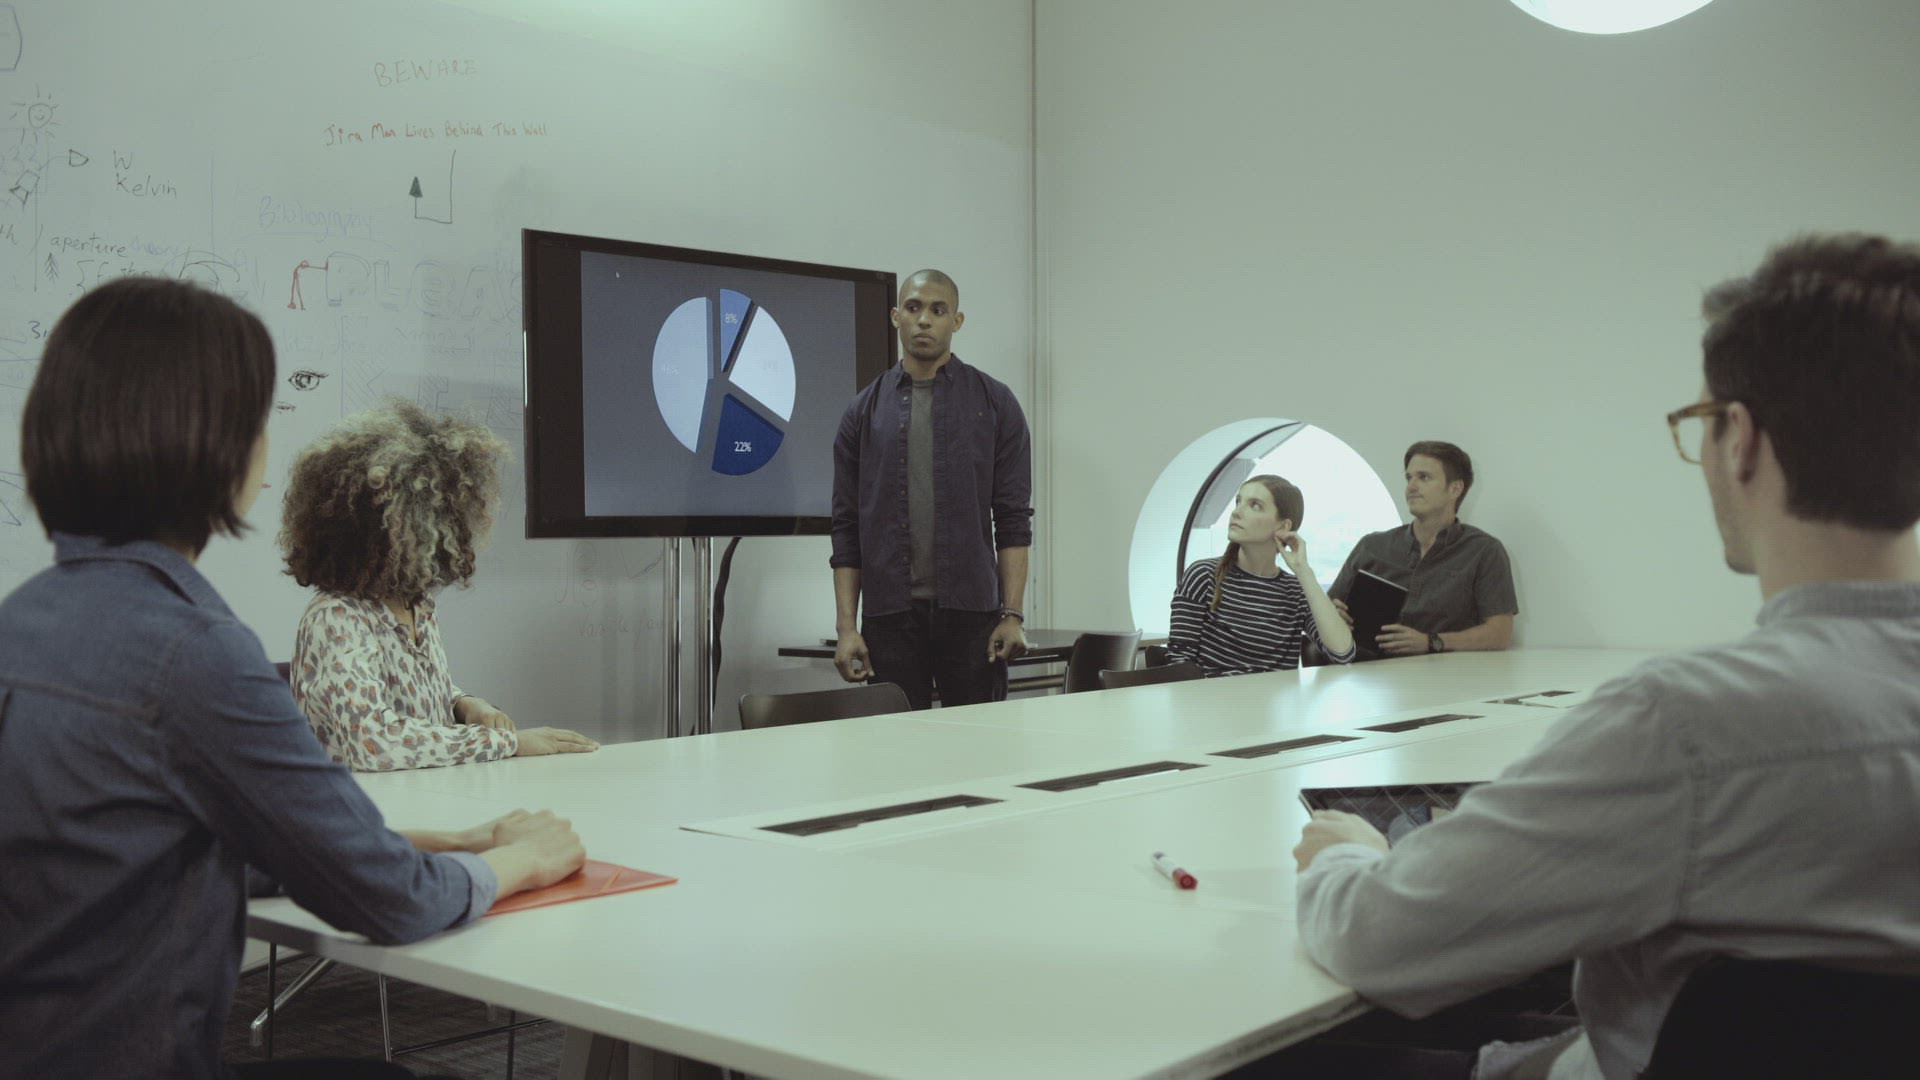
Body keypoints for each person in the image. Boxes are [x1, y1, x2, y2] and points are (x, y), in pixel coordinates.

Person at [1282, 234, 1920, 1080]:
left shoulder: (1685, 727)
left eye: (1696, 425)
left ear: (1739, 438)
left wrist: (1345, 857)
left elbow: (1380, 938)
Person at [0, 278, 587, 1080]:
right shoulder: (194, 655)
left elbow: (151, 853)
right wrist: (523, 860)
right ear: (218, 448)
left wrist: (447, 838)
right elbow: (395, 902)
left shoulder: (25, 622)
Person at [280, 400, 600, 769]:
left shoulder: (417, 607)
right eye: (428, 524)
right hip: (362, 801)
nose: (440, 540)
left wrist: (464, 704)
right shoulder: (336, 619)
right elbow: (374, 744)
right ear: (371, 531)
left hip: (433, 793)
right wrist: (508, 743)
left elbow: (414, 699)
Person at [828, 269, 1034, 710]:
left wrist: (1012, 615)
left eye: (938, 310)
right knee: (899, 746)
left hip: (974, 618)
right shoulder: (862, 412)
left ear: (956, 321)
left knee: (980, 743)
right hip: (889, 618)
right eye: (914, 307)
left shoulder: (995, 404)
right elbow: (846, 528)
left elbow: (1013, 519)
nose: (924, 319)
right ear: (895, 316)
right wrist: (847, 628)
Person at [1328, 441, 1517, 659]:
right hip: (1362, 669)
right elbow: (1324, 611)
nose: (1411, 487)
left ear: (1455, 489)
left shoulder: (1484, 551)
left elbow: (1499, 633)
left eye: (1424, 477)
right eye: (1409, 478)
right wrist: (1333, 616)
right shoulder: (1371, 546)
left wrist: (1431, 642)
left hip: (1439, 674)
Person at [1166, 475, 1356, 676]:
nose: (1236, 512)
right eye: (1238, 502)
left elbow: (1342, 654)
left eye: (1255, 505)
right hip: (1212, 696)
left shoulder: (1296, 591)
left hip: (1277, 696)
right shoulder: (1203, 576)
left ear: (1283, 526)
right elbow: (1179, 664)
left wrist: (1304, 571)